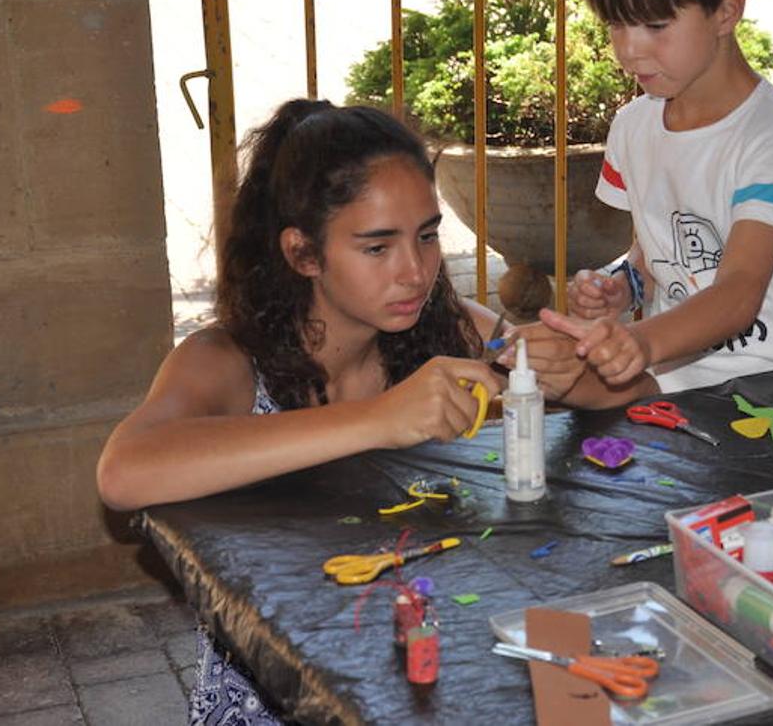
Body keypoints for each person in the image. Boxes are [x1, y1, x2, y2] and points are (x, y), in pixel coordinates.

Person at [96, 99, 580, 724]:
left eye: (428, 236)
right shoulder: (226, 360)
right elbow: (123, 473)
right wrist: (380, 418)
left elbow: (610, 391)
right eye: (377, 248)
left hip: (421, 676)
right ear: (303, 253)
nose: (416, 272)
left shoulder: (448, 330)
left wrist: (581, 368)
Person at [532, 0, 773, 404]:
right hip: (675, 366)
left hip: (769, 378)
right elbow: (652, 259)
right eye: (615, 26)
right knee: (539, 375)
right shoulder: (634, 127)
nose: (629, 51)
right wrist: (619, 286)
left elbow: (739, 292)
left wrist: (639, 342)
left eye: (653, 26)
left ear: (725, 11)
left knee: (566, 389)